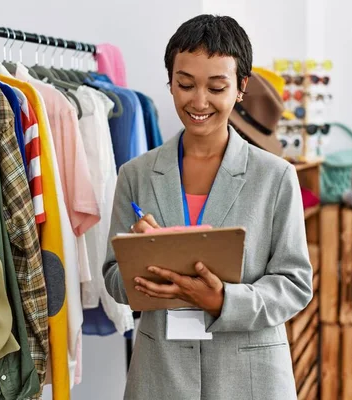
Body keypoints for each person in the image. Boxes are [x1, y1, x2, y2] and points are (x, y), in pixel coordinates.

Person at [103, 14, 313, 400]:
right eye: (185, 84)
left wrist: (222, 301)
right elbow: (113, 280)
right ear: (170, 83)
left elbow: (295, 284)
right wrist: (142, 263)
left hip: (249, 377)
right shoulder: (135, 174)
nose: (198, 101)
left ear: (240, 87)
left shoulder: (276, 177)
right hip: (160, 374)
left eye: (216, 87)